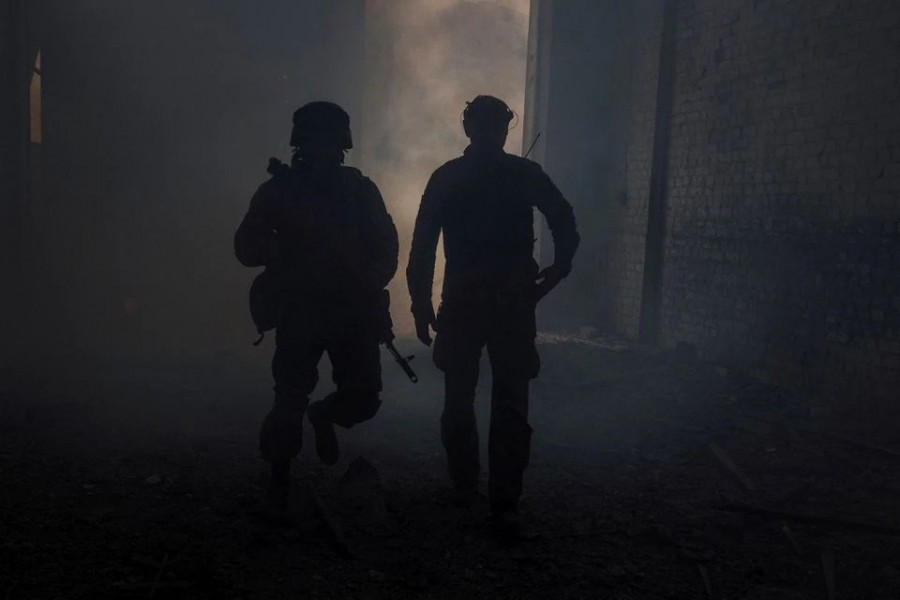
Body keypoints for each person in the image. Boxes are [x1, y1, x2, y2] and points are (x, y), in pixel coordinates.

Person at [407, 95, 580, 535]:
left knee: (459, 397)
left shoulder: (449, 176)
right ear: (504, 129)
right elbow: (563, 219)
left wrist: (421, 304)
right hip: (512, 304)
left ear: (468, 128)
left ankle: (466, 486)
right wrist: (558, 270)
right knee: (509, 400)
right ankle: (504, 500)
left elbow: (424, 244)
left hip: (464, 302)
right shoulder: (523, 174)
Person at [234, 101, 399, 510]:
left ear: (342, 146)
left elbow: (386, 248)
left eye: (330, 142)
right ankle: (278, 479)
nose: (324, 149)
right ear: (301, 144)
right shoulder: (278, 191)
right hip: (300, 309)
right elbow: (245, 247)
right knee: (288, 400)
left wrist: (367, 279)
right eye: (316, 141)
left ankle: (324, 416)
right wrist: (286, 250)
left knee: (363, 399)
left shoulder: (360, 192)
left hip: (351, 313)